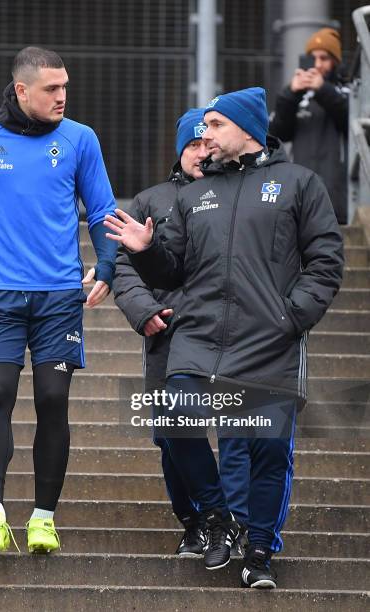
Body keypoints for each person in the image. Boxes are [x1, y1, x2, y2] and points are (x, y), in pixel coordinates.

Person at [104, 87, 343, 588]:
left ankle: (259, 551)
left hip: (270, 340)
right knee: (173, 411)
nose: (205, 135)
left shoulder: (300, 184)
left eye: (214, 125)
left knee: (269, 450)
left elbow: (325, 262)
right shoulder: (192, 196)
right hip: (199, 337)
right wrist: (146, 251)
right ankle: (217, 514)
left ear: (246, 129)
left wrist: (291, 316)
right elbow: (171, 267)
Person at [0, 46, 117, 554]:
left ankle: (42, 517)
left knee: (53, 400)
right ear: (21, 90)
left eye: (65, 87)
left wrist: (108, 263)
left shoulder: (80, 139)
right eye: (52, 89)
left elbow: (102, 209)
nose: (63, 97)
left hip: (59, 295)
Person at [114, 108, 212, 557]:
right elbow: (123, 267)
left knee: (239, 430)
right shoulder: (151, 199)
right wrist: (145, 311)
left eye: (208, 143)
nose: (201, 151)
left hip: (227, 332)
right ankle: (193, 522)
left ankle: (230, 520)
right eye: (192, 144)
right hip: (167, 335)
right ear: (179, 150)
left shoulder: (234, 196)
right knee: (171, 435)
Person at [270, 28, 349, 224]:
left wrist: (323, 89)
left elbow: (349, 121)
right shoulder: (297, 97)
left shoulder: (348, 92)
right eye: (313, 58)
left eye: (324, 58)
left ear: (335, 62)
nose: (318, 64)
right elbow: (278, 134)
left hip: (338, 197)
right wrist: (290, 94)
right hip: (301, 192)